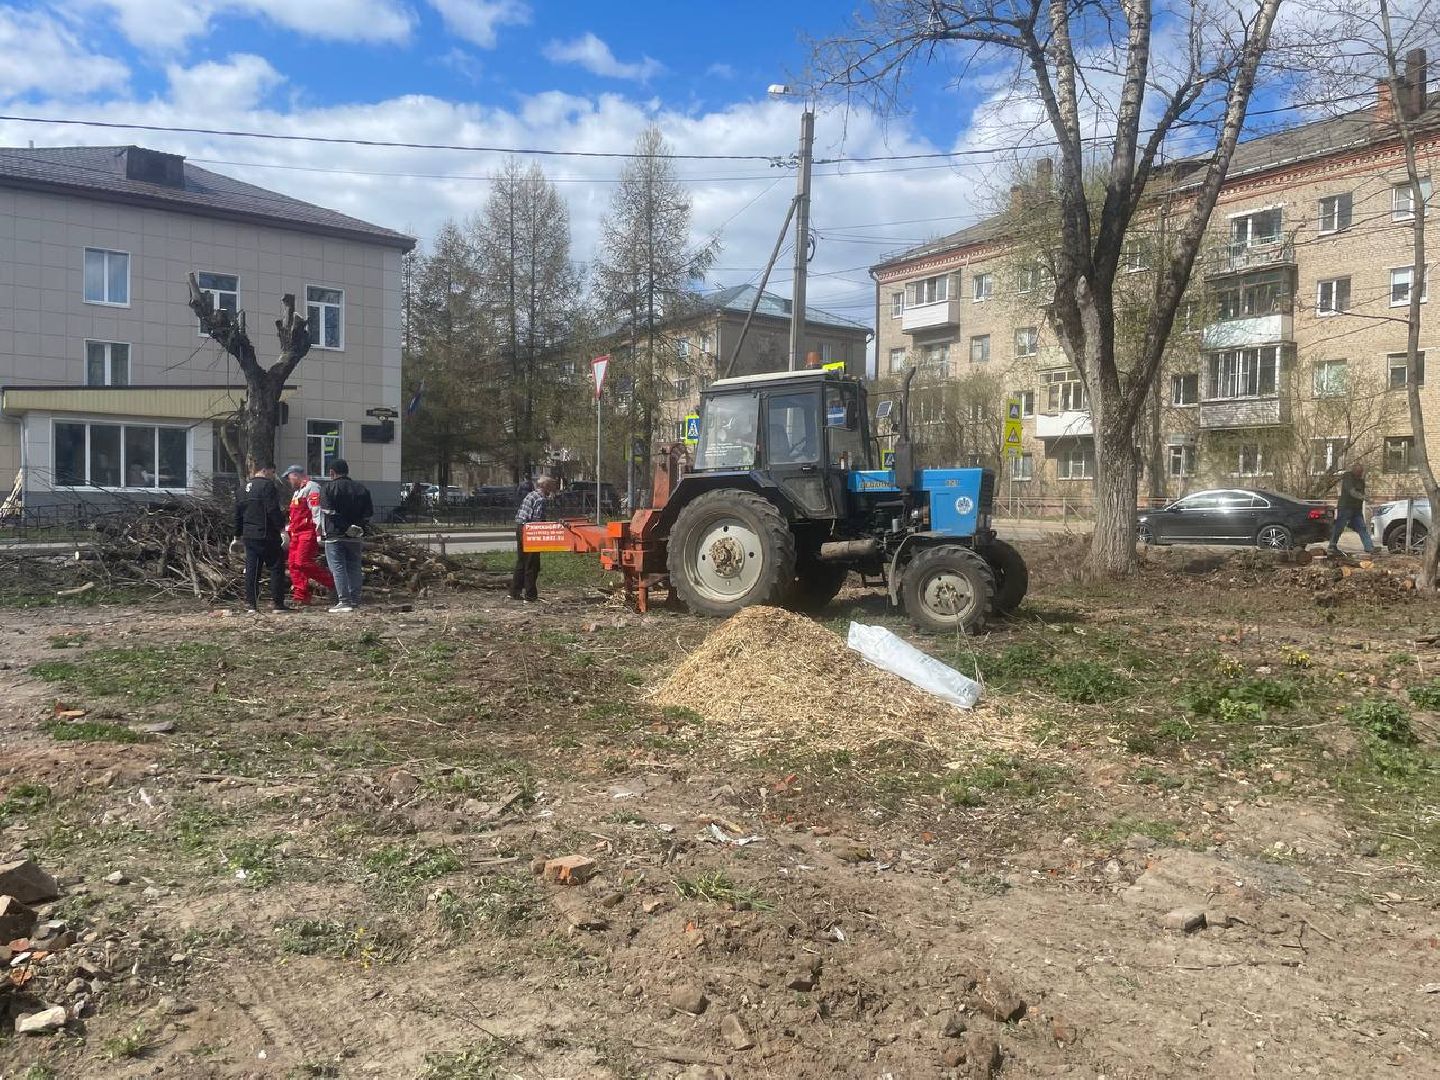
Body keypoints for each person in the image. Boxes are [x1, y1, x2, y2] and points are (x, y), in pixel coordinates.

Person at [233, 463, 288, 613]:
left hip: (249, 535)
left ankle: (251, 604)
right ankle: (278, 604)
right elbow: (272, 509)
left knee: (252, 569)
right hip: (267, 533)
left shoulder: (241, 489)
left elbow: (237, 515)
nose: (273, 475)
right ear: (264, 470)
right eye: (273, 471)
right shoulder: (267, 486)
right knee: (276, 566)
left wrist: (237, 535)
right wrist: (282, 528)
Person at [320, 458, 373, 613]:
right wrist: (356, 527)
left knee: (337, 568)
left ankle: (344, 601)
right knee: (354, 566)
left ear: (332, 473)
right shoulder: (361, 489)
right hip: (355, 536)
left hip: (335, 535)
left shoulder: (327, 488)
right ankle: (355, 600)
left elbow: (329, 511)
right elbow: (368, 513)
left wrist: (345, 526)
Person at [282, 465, 334, 606]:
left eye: (289, 477)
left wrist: (318, 533)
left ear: (296, 475)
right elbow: (295, 515)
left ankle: (333, 583)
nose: (289, 481)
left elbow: (316, 510)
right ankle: (301, 595)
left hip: (307, 532)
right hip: (295, 533)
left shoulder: (312, 487)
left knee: (302, 562)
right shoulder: (297, 492)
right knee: (293, 565)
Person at [511, 475, 557, 602]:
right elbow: (537, 519)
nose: (553, 488)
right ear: (545, 486)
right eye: (551, 485)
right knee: (532, 563)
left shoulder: (531, 495)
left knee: (521, 561)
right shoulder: (541, 498)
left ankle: (515, 591)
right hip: (531, 531)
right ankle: (530, 595)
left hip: (520, 527)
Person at [1329, 461, 1376, 557]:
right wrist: (1364, 497)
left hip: (1356, 509)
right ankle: (1332, 545)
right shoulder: (1348, 477)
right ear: (1354, 471)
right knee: (1339, 526)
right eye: (1359, 472)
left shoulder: (1361, 481)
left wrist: (1364, 499)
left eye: (1361, 472)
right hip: (1345, 507)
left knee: (1362, 527)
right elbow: (1352, 492)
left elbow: (1360, 493)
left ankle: (1369, 547)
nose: (1360, 474)